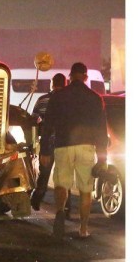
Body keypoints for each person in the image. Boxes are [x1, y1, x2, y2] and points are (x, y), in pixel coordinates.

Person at [41, 62, 108, 239]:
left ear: (70, 77)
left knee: (61, 184)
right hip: (86, 146)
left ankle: (60, 212)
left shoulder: (58, 96)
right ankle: (83, 229)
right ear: (85, 77)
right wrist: (103, 158)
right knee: (86, 189)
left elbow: (47, 124)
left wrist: (44, 150)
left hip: (63, 145)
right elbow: (101, 130)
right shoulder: (95, 98)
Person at [30, 73, 71, 213]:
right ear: (65, 84)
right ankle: (66, 205)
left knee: (44, 173)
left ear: (52, 84)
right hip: (65, 143)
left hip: (47, 141)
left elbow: (34, 119)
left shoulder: (43, 100)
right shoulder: (69, 100)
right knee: (65, 175)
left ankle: (36, 199)